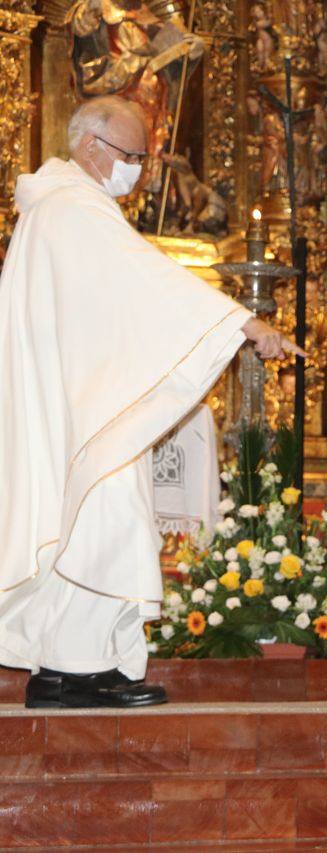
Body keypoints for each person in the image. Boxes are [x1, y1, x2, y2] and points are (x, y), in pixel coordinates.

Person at [0, 96, 301, 708]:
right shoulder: (72, 209)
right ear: (91, 147)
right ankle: (76, 670)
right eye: (131, 155)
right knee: (104, 521)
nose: (137, 170)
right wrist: (246, 324)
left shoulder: (66, 208)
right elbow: (149, 280)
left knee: (100, 522)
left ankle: (79, 667)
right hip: (86, 409)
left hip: (92, 397)